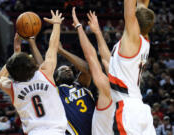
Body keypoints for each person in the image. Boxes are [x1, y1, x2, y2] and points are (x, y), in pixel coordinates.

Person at [87, 0, 156, 134]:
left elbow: (129, 8)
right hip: (140, 108)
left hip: (127, 110)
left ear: (135, 21)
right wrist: (98, 32)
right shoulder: (144, 39)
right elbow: (107, 58)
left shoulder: (132, 38)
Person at [0, 10, 67, 135]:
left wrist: (15, 53)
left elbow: (0, 78)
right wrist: (56, 24)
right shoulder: (45, 73)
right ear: (32, 64)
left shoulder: (13, 88)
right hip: (56, 131)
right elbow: (53, 46)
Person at [28, 38, 96, 135]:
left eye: (69, 69)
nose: (67, 70)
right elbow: (43, 69)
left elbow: (86, 69)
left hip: (99, 129)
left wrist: (62, 51)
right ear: (57, 79)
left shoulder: (81, 84)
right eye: (62, 70)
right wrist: (32, 42)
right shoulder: (55, 91)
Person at [72, 7, 114, 135]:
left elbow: (90, 56)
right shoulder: (129, 90)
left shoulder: (106, 91)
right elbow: (107, 59)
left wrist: (79, 27)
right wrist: (98, 33)